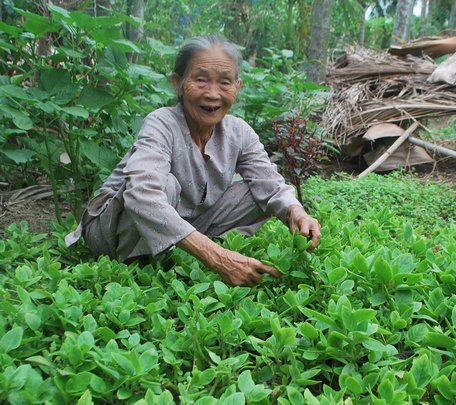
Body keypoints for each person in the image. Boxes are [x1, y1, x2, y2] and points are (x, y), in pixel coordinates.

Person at [66, 35, 321, 287]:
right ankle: (144, 264)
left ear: (238, 87)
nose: (212, 94)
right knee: (164, 186)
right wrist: (218, 258)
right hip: (113, 232)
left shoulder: (239, 132)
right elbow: (141, 194)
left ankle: (183, 246)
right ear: (178, 83)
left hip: (188, 220)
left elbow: (271, 184)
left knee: (257, 191)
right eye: (200, 80)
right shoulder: (161, 123)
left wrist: (297, 212)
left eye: (224, 82)